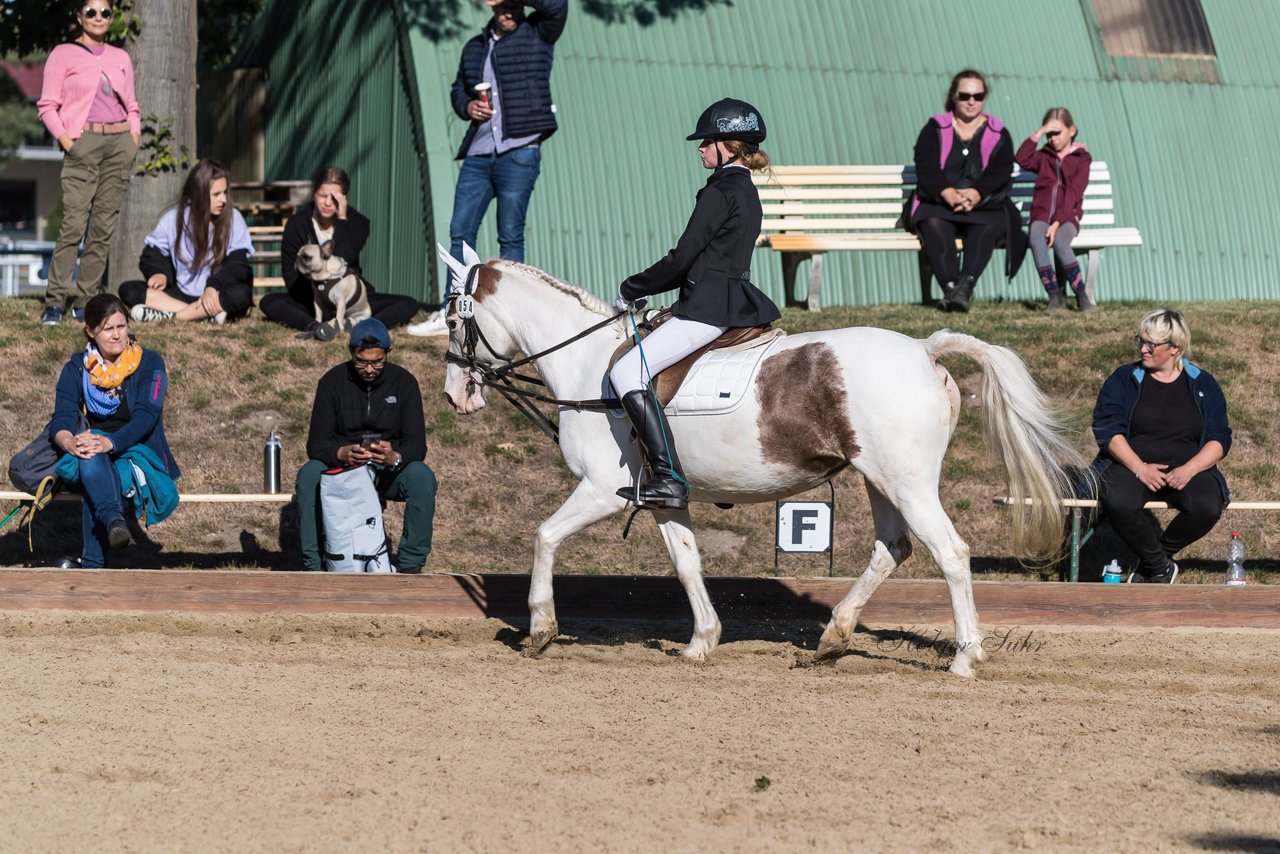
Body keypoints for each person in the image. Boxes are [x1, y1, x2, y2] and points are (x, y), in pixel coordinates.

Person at [608, 98, 780, 511]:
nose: (701, 148)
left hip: (707, 309)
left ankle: (667, 476)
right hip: (729, 300)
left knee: (627, 371)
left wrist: (633, 287)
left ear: (728, 146)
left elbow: (683, 257)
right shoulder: (746, 190)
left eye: (707, 141)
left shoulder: (721, 191)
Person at [407, 0, 569, 337]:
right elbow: (457, 90)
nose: (508, 12)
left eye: (513, 6)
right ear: (492, 11)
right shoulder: (475, 46)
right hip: (479, 152)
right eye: (502, 8)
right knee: (460, 231)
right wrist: (467, 106)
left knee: (510, 235)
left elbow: (557, 6)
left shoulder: (538, 31)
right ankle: (449, 310)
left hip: (519, 149)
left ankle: (511, 318)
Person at [1090, 308, 1231, 583]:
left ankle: (1152, 564)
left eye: (1151, 344)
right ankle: (1160, 566)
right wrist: (1140, 468)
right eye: (1140, 341)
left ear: (1175, 348)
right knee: (1118, 499)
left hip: (1187, 467)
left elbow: (1219, 438)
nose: (1143, 349)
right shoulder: (1123, 379)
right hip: (1131, 465)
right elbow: (1108, 431)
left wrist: (1190, 469)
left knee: (1208, 505)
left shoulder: (1203, 384)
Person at [48, 293, 180, 569]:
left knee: (94, 469)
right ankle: (115, 523)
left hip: (137, 450)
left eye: (121, 326)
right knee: (89, 456)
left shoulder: (149, 363)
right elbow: (61, 420)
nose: (117, 335)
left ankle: (94, 564)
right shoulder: (76, 368)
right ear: (90, 331)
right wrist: (70, 442)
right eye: (108, 329)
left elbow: (147, 416)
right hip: (93, 453)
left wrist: (109, 442)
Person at [295, 319, 437, 572]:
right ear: (352, 354)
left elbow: (417, 445)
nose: (369, 369)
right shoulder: (332, 382)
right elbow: (316, 443)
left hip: (386, 472)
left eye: (377, 362)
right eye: (362, 362)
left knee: (421, 477)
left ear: (387, 354)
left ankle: (410, 566)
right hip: (345, 471)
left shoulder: (405, 383)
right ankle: (314, 566)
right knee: (309, 475)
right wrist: (341, 453)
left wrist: (394, 457)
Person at [36, 1, 140, 326]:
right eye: (91, 12)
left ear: (111, 18)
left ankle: (86, 303)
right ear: (80, 16)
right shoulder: (62, 54)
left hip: (119, 143)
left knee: (102, 229)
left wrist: (133, 138)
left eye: (105, 12)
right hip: (83, 142)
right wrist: (68, 142)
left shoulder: (121, 57)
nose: (98, 18)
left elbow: (132, 104)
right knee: (73, 226)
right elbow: (47, 106)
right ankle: (54, 302)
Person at [907, 69, 1026, 313]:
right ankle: (953, 290)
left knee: (986, 226)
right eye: (965, 95)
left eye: (978, 96)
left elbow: (1000, 171)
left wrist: (976, 194)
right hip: (939, 201)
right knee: (931, 222)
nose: (971, 101)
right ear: (953, 96)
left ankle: (966, 285)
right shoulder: (934, 129)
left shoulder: (998, 132)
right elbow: (926, 167)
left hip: (984, 204)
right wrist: (947, 192)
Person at [259, 167, 420, 340]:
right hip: (310, 296)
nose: (328, 203)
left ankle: (363, 324)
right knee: (269, 302)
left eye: (334, 198)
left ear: (345, 198)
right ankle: (317, 326)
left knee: (407, 303)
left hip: (351, 299)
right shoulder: (296, 224)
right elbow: (290, 276)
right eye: (323, 196)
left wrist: (342, 221)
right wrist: (319, 294)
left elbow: (344, 258)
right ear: (314, 193)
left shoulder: (358, 223)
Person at [118, 158, 254, 325]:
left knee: (241, 294)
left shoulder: (234, 218)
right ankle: (202, 315)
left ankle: (174, 316)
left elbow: (238, 265)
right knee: (128, 289)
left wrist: (213, 286)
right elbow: (152, 253)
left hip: (216, 293)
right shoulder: (173, 219)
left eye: (225, 192)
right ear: (200, 194)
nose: (223, 200)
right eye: (217, 194)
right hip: (180, 294)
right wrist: (159, 273)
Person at [1016, 108, 1093, 313]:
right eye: (1049, 134)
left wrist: (1057, 222)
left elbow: (1073, 194)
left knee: (1060, 242)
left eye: (1056, 132)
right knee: (1035, 238)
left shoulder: (1082, 158)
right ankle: (1054, 296)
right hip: (1041, 214)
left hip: (1068, 216)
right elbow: (1022, 158)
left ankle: (1081, 297)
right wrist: (1039, 132)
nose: (1052, 138)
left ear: (1072, 130)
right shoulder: (1043, 157)